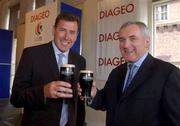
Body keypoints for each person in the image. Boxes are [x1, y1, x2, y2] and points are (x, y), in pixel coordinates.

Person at [83, 21, 180, 126]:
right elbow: (106, 101)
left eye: (132, 39)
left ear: (147, 42)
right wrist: (93, 94)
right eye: (122, 40)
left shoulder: (168, 73)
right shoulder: (116, 72)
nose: (125, 45)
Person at [10, 12, 86, 126]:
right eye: (62, 30)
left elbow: (79, 103)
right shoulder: (31, 54)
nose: (67, 37)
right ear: (53, 30)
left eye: (72, 32)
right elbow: (16, 98)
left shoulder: (80, 61)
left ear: (77, 35)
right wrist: (43, 92)